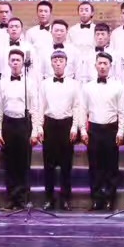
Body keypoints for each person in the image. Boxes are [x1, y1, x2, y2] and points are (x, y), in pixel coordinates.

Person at [36, 51, 82, 211]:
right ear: (51, 63)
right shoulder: (44, 84)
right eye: (55, 60)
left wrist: (75, 126)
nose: (57, 63)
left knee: (66, 165)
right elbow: (40, 106)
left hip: (66, 125)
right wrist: (39, 126)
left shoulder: (74, 84)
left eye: (60, 60)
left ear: (66, 63)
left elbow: (77, 106)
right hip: (49, 124)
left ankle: (65, 199)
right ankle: (49, 199)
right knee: (48, 165)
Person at [0, 49, 38, 210]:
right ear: (8, 62)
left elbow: (35, 108)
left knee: (23, 163)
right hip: (8, 124)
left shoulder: (29, 83)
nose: (15, 63)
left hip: (24, 124)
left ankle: (23, 198)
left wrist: (35, 131)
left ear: (23, 62)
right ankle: (12, 198)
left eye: (18, 60)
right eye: (12, 60)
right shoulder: (1, 84)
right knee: (10, 164)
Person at [81, 52, 124, 212]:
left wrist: (121, 131)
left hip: (111, 129)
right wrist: (82, 130)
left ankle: (109, 200)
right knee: (94, 167)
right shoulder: (87, 87)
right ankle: (96, 200)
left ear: (110, 66)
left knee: (111, 167)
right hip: (93, 129)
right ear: (95, 66)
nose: (102, 66)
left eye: (105, 63)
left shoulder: (118, 86)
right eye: (99, 63)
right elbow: (83, 110)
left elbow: (122, 112)